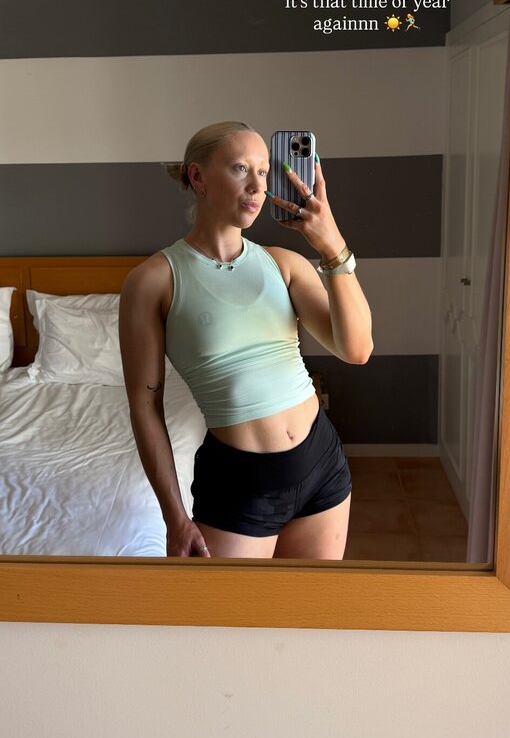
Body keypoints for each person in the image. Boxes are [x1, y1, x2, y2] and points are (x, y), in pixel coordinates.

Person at [118, 121, 373, 560]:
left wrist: (332, 245)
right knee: (230, 607)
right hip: (239, 484)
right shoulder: (154, 281)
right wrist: (174, 517)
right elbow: (145, 407)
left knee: (313, 603)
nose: (258, 186)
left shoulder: (285, 264)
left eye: (264, 170)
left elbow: (358, 349)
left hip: (321, 466)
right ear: (197, 176)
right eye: (240, 168)